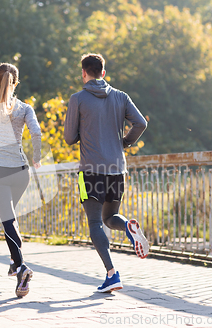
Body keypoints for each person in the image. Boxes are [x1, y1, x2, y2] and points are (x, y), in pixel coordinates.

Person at [64, 53, 149, 293]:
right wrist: (123, 143)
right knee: (110, 217)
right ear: (103, 72)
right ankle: (129, 231)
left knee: (94, 222)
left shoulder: (77, 99)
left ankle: (112, 274)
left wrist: (84, 132)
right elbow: (141, 123)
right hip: (116, 169)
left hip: (90, 171)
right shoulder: (121, 96)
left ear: (84, 73)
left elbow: (70, 138)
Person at [0, 63, 42, 298]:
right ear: (16, 83)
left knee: (7, 220)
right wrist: (37, 155)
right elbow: (36, 132)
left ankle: (22, 267)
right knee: (9, 219)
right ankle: (15, 262)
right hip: (21, 171)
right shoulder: (25, 108)